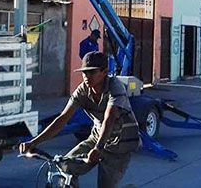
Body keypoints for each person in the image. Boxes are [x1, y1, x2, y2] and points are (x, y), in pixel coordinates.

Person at [19, 52, 140, 187]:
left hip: (120, 143)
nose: (86, 76)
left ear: (104, 72)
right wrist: (34, 142)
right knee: (66, 166)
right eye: (84, 73)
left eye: (91, 72)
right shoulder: (82, 90)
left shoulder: (114, 86)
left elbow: (109, 118)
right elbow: (62, 119)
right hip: (97, 137)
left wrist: (98, 148)